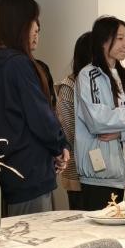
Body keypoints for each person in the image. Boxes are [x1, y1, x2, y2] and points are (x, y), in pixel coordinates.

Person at [0, 0, 68, 214]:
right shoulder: (18, 63)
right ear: (19, 23)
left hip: (10, 169)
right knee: (38, 233)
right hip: (30, 170)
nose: (36, 28)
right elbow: (40, 116)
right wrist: (59, 145)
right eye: (32, 21)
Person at [74, 16, 125, 207]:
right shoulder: (88, 75)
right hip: (101, 174)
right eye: (119, 38)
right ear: (103, 41)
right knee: (102, 224)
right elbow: (98, 120)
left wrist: (121, 133)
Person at [55, 33, 91, 209]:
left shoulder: (106, 83)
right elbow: (70, 133)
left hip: (105, 173)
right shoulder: (69, 87)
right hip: (78, 173)